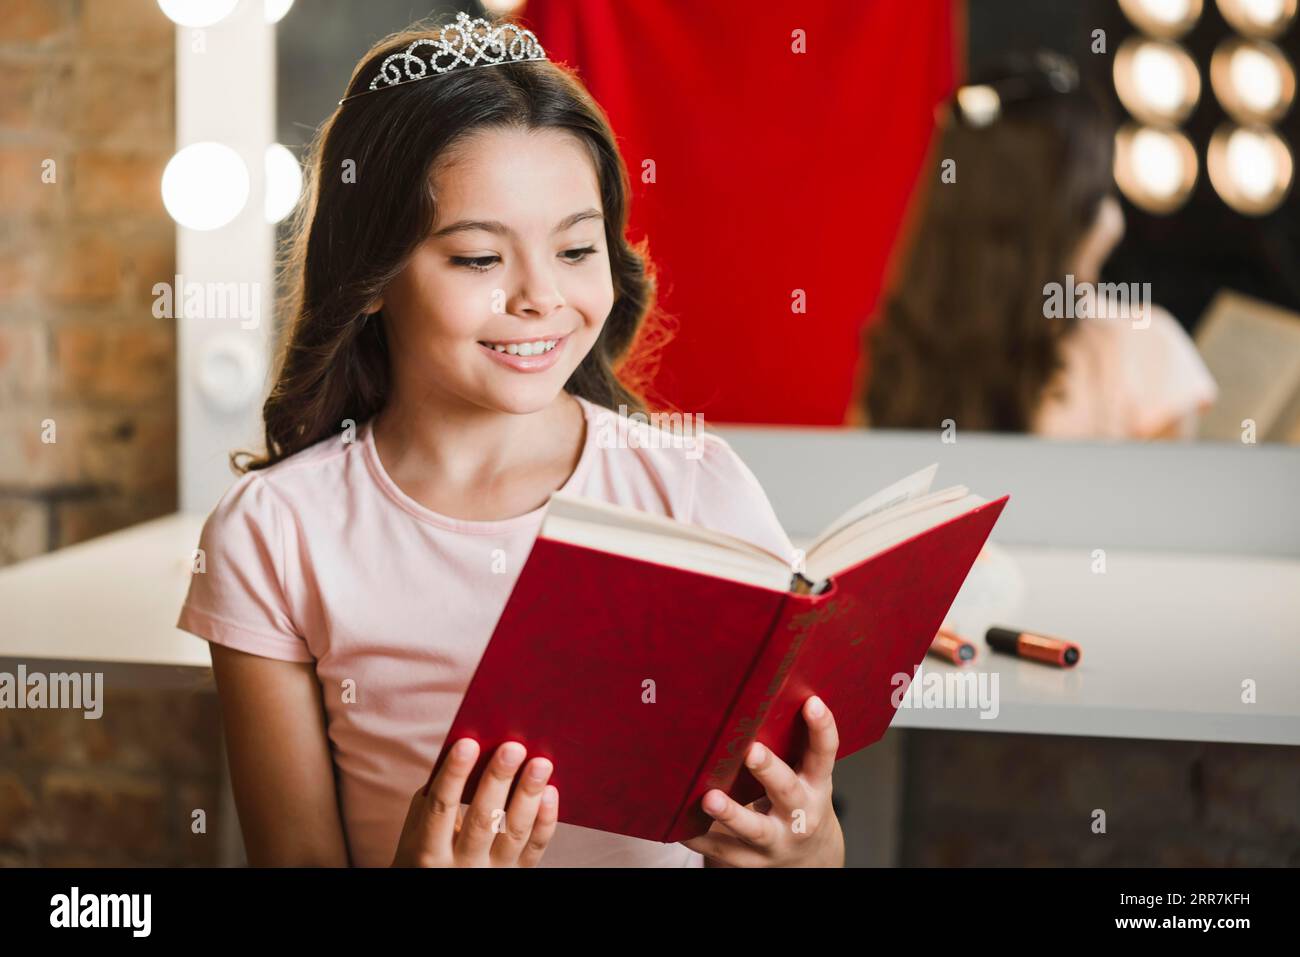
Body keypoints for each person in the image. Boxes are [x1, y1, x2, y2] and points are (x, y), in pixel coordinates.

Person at [176, 13, 845, 868]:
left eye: (575, 247)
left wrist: (812, 848)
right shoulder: (274, 532)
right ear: (372, 275)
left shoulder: (695, 485)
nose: (539, 296)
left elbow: (793, 834)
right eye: (479, 260)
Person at [859, 52, 1217, 440]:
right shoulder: (1145, 352)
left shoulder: (904, 353)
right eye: (1097, 197)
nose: (1114, 223)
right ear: (1061, 222)